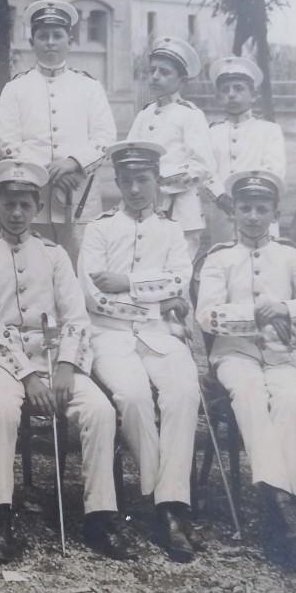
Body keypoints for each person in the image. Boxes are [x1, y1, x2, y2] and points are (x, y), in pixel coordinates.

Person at [0, 160, 134, 564]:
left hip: (55, 360)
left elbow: (76, 318)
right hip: (4, 364)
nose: (17, 213)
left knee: (99, 410)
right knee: (0, 409)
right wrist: (27, 377)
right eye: (9, 204)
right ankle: (0, 516)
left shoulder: (55, 256)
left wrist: (66, 367)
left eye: (25, 204)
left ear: (38, 207)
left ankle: (99, 516)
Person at [196, 170, 296, 571]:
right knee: (249, 396)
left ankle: (277, 505)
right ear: (233, 212)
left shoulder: (290, 256)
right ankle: (283, 512)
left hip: (281, 356)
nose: (253, 217)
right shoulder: (219, 258)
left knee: (292, 401)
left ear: (275, 213)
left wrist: (287, 308)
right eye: (245, 208)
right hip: (234, 355)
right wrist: (256, 314)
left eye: (262, 209)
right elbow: (207, 315)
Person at [80, 141, 201, 562]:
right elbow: (94, 296)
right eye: (127, 181)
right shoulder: (99, 229)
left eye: (143, 180)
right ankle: (165, 503)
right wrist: (156, 297)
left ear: (157, 181)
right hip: (109, 336)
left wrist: (128, 284)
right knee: (131, 397)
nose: (135, 189)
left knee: (183, 394)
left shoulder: (171, 231)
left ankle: (169, 504)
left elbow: (179, 280)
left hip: (160, 334)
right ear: (117, 182)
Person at [0, 0, 117, 261]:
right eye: (43, 36)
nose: (50, 42)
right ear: (32, 42)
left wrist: (73, 163)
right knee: (32, 262)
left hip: (79, 191)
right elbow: (7, 143)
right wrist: (48, 173)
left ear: (69, 41)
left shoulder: (89, 87)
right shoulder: (15, 88)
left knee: (80, 263)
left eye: (57, 35)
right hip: (30, 195)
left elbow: (104, 137)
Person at [125, 36, 215, 260]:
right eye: (152, 70)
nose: (155, 76)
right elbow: (129, 153)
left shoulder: (190, 114)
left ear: (181, 80)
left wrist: (163, 179)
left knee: (178, 268)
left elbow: (202, 165)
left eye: (164, 72)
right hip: (144, 205)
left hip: (180, 207)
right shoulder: (144, 114)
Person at [203, 56, 287, 246]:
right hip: (223, 215)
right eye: (225, 90)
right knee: (225, 258)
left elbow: (274, 170)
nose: (231, 94)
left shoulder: (269, 130)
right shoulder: (211, 132)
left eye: (239, 88)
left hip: (258, 212)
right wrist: (220, 195)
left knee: (263, 259)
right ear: (218, 97)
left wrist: (247, 201)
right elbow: (205, 170)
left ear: (253, 95)